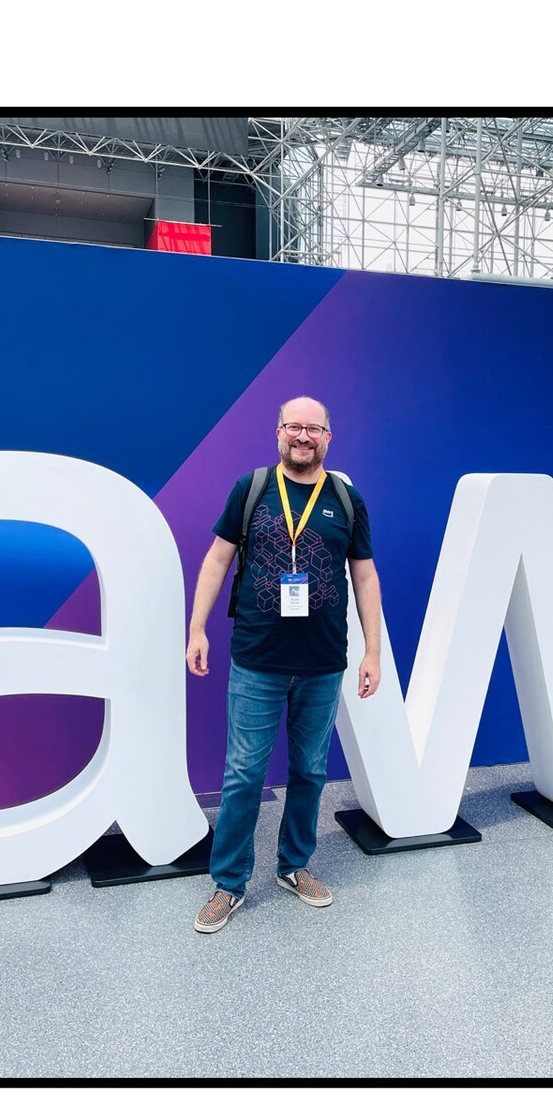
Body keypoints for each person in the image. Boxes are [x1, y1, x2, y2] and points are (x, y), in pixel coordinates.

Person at [185, 396, 382, 934]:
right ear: (278, 433)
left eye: (314, 428)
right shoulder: (251, 491)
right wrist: (197, 628)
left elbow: (363, 576)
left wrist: (372, 651)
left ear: (327, 437)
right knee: (244, 774)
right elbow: (218, 559)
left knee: (310, 772)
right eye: (294, 426)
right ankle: (228, 884)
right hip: (258, 659)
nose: (303, 435)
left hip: (322, 662)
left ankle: (294, 867)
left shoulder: (346, 498)